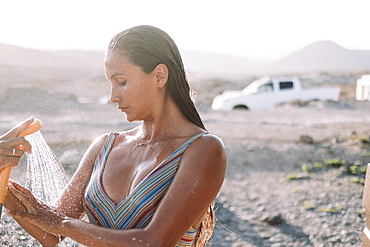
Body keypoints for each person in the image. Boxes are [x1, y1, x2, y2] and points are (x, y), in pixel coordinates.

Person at [4, 25, 227, 247]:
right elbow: (51, 233)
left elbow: (154, 242)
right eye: (110, 84)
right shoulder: (105, 146)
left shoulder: (203, 150)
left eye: (121, 82)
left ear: (159, 76)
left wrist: (63, 224)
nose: (112, 96)